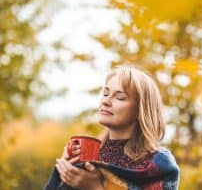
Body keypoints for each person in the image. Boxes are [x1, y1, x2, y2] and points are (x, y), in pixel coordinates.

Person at [44, 65, 180, 190]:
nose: (106, 101)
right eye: (105, 93)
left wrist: (96, 187)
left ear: (140, 111)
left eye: (119, 97)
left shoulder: (158, 163)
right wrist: (63, 170)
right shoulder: (90, 156)